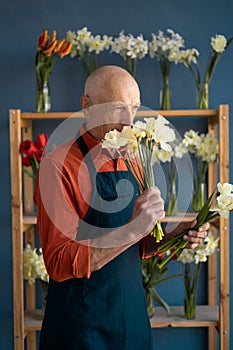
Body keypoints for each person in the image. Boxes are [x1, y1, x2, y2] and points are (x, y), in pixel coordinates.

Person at [34, 65, 209, 350]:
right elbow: (59, 262)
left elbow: (136, 244)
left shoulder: (132, 157)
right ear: (87, 106)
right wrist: (133, 229)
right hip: (81, 328)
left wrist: (176, 235)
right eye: (117, 109)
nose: (128, 123)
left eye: (135, 109)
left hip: (132, 321)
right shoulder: (58, 165)